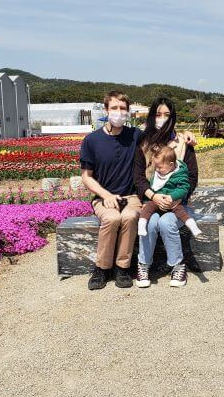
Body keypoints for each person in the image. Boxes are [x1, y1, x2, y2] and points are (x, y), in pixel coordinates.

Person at [80, 91, 195, 291]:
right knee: (113, 219)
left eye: (123, 108)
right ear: (106, 110)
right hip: (107, 197)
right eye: (114, 108)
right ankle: (102, 268)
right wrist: (106, 195)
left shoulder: (135, 136)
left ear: (128, 111)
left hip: (137, 198)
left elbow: (165, 139)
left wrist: (186, 135)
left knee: (134, 216)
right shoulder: (94, 140)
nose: (118, 112)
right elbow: (87, 176)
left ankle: (124, 268)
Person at [134, 97, 199, 288]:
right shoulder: (143, 144)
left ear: (173, 117)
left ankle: (178, 265)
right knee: (151, 222)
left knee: (167, 221)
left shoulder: (183, 143)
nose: (162, 118)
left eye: (167, 115)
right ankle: (143, 264)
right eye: (158, 114)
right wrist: (153, 196)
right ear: (152, 116)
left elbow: (192, 178)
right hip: (151, 201)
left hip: (176, 203)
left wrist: (174, 198)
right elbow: (138, 177)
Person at [138, 146, 201, 238]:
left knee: (181, 212)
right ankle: (141, 225)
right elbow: (152, 188)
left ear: (171, 165)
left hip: (172, 201)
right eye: (156, 167)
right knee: (147, 208)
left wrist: (172, 197)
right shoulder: (158, 173)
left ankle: (192, 226)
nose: (157, 170)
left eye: (160, 167)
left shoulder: (179, 174)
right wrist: (148, 200)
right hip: (157, 201)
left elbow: (184, 188)